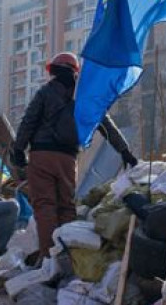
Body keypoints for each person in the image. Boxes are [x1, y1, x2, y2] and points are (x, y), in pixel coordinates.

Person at [11, 52, 137, 258]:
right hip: (68, 159)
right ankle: (68, 255)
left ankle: (49, 257)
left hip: (42, 155)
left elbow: (29, 121)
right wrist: (125, 151)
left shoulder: (46, 92)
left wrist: (18, 150)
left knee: (45, 206)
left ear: (53, 70)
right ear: (76, 72)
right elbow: (106, 125)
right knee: (67, 206)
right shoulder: (85, 95)